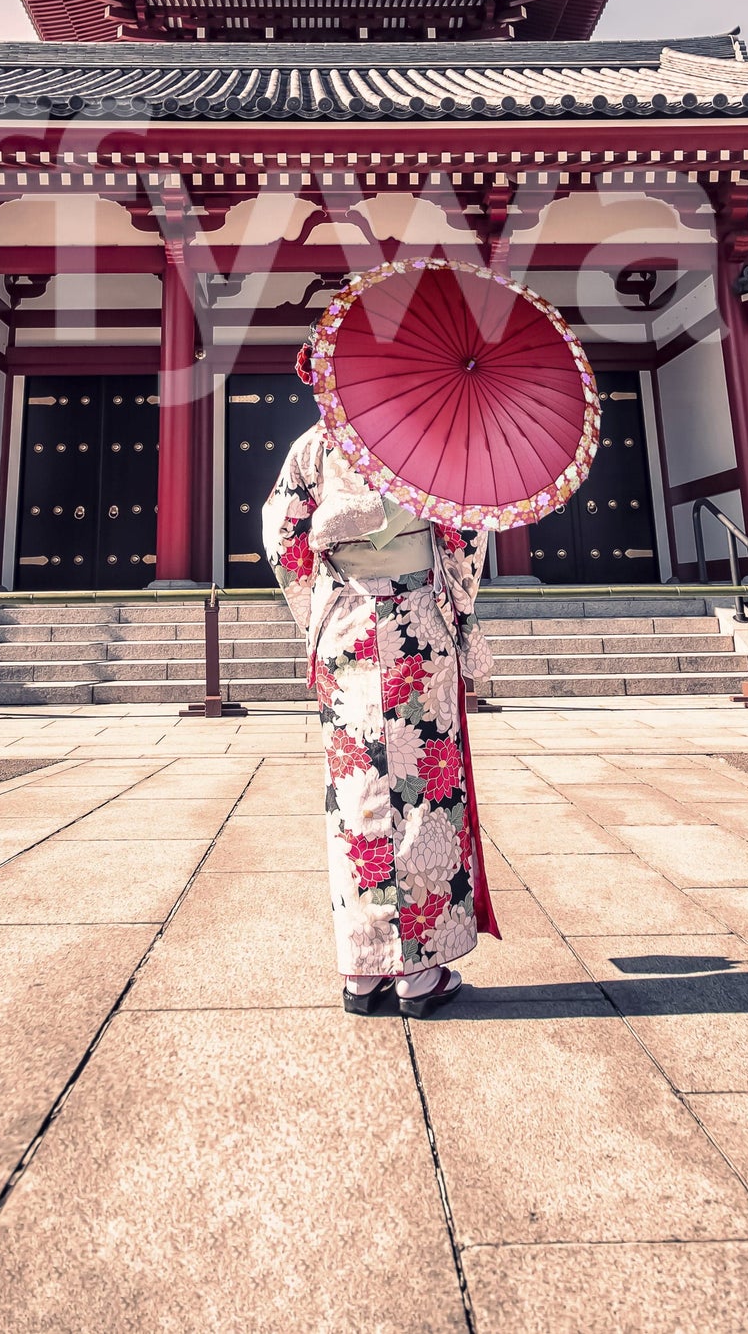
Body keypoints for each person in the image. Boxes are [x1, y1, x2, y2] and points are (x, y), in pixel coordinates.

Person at [263, 351, 500, 1018]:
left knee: (358, 790)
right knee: (423, 783)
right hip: (418, 621)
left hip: (346, 624)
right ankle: (417, 976)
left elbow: (282, 537)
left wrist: (321, 599)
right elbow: (464, 530)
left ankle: (361, 972)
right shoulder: (425, 446)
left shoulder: (310, 449)